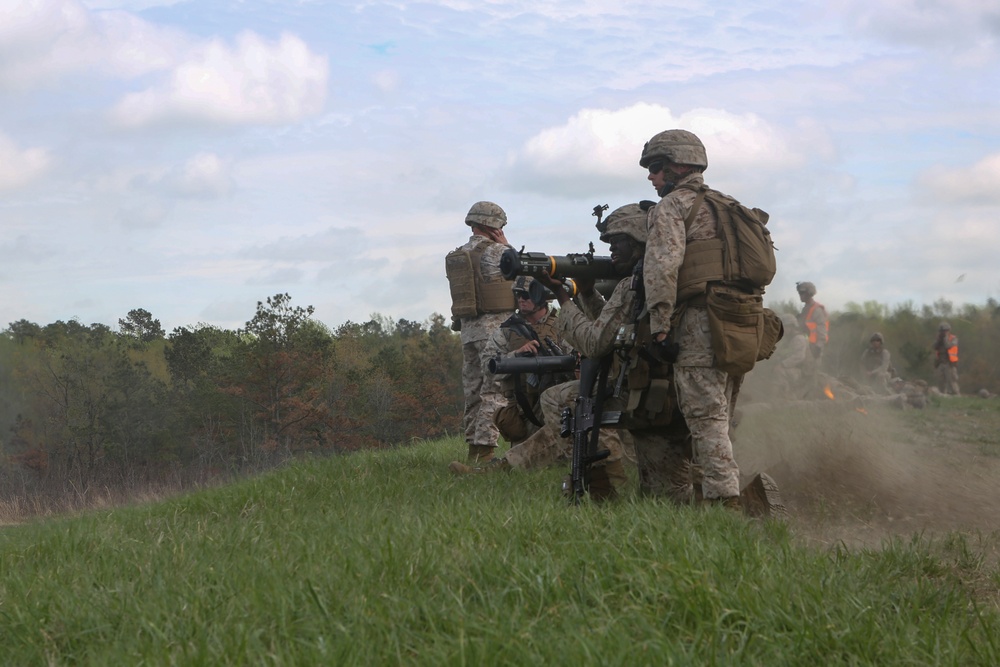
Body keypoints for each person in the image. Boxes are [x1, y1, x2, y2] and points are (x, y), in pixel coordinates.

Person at [445, 201, 516, 464]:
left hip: (468, 331)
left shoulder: (458, 254)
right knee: (494, 390)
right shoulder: (498, 252)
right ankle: (485, 453)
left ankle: (473, 449)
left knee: (473, 390)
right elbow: (526, 278)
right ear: (494, 225)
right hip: (494, 333)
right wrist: (508, 246)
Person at [796, 281, 828, 363]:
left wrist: (819, 346)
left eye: (802, 292)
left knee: (811, 373)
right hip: (804, 346)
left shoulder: (817, 310)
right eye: (799, 292)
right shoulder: (805, 309)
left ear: (809, 293)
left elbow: (822, 329)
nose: (800, 295)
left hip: (814, 348)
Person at [932, 322, 960, 395]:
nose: (943, 332)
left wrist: (945, 338)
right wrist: (939, 340)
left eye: (945, 331)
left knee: (952, 381)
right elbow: (934, 347)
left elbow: (948, 346)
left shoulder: (953, 338)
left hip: (949, 363)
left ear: (948, 330)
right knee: (940, 381)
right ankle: (942, 395)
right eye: (941, 331)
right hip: (940, 363)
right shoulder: (939, 339)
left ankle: (956, 395)